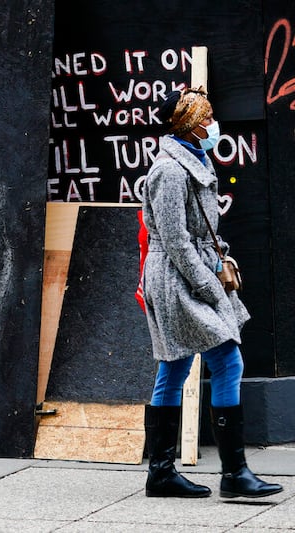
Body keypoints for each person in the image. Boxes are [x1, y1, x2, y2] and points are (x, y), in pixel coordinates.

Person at [141, 87, 282, 499]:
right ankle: (233, 474)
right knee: (227, 358)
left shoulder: (195, 160)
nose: (212, 124)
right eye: (207, 117)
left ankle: (161, 473)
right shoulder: (169, 170)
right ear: (189, 125)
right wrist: (207, 284)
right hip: (176, 277)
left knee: (176, 367)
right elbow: (175, 239)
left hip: (191, 269)